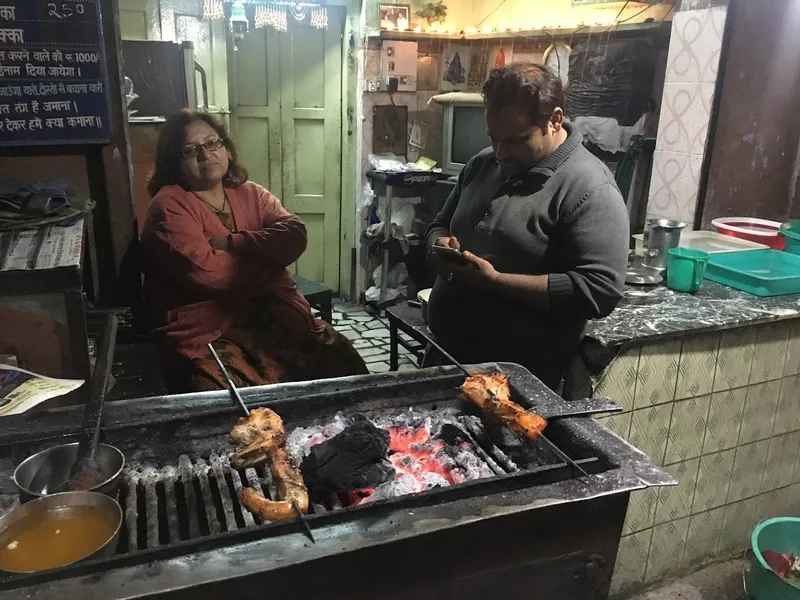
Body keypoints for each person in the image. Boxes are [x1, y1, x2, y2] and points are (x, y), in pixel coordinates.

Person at [425, 63, 629, 391]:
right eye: (494, 138)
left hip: (524, 385)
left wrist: (496, 282)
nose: (500, 153)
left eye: (517, 140)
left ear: (555, 119)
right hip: (449, 359)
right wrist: (438, 247)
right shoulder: (481, 164)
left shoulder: (589, 188)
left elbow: (599, 290)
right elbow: (438, 224)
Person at [140, 109, 368, 392]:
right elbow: (208, 273)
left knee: (343, 362)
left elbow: (294, 236)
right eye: (190, 150)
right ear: (174, 163)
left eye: (213, 143)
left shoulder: (251, 193)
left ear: (227, 150)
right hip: (210, 331)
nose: (205, 154)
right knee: (220, 395)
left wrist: (237, 243)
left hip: (273, 316)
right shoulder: (168, 205)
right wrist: (270, 262)